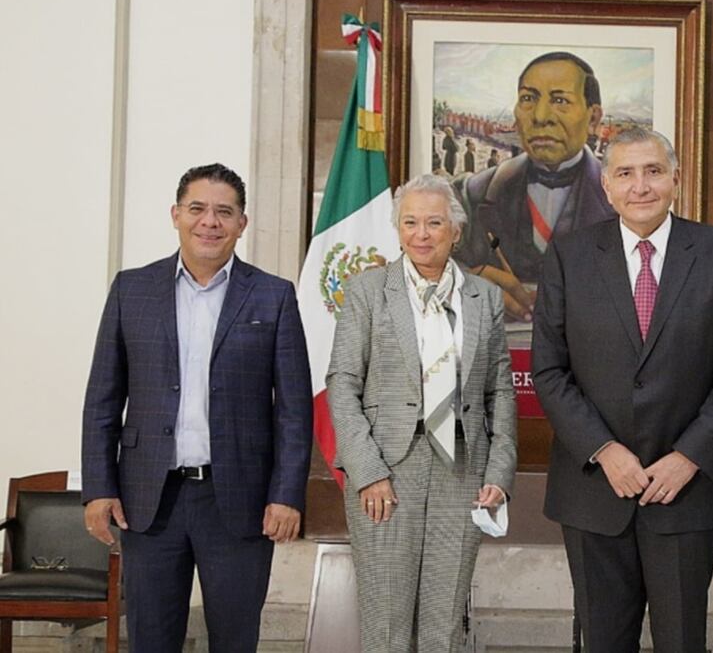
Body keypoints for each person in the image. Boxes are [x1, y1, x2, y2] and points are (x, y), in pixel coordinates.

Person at [532, 128, 713, 652]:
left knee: (682, 642)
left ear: (676, 179)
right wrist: (604, 450)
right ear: (606, 186)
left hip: (685, 492)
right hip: (594, 490)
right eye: (626, 174)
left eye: (654, 171)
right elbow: (549, 369)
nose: (642, 186)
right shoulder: (568, 256)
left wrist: (689, 457)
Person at [81, 163, 313, 652]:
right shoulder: (131, 289)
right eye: (198, 209)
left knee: (234, 641)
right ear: (175, 215)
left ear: (241, 224)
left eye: (224, 212)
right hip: (149, 500)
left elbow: (294, 410)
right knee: (151, 640)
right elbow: (103, 398)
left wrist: (287, 494)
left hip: (240, 503)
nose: (210, 221)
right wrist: (98, 488)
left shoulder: (273, 297)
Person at [327, 173, 517, 651]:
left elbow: (499, 390)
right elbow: (342, 385)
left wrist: (499, 471)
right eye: (410, 222)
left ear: (456, 229)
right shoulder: (368, 292)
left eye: (434, 222)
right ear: (397, 228)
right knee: (386, 625)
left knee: (444, 625)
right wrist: (368, 472)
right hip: (386, 476)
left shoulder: (484, 297)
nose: (422, 234)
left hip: (462, 475)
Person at [455, 51, 616, 321]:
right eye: (528, 99)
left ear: (593, 119)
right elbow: (427, 268)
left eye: (560, 100)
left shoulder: (625, 199)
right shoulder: (473, 193)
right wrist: (466, 282)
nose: (541, 116)